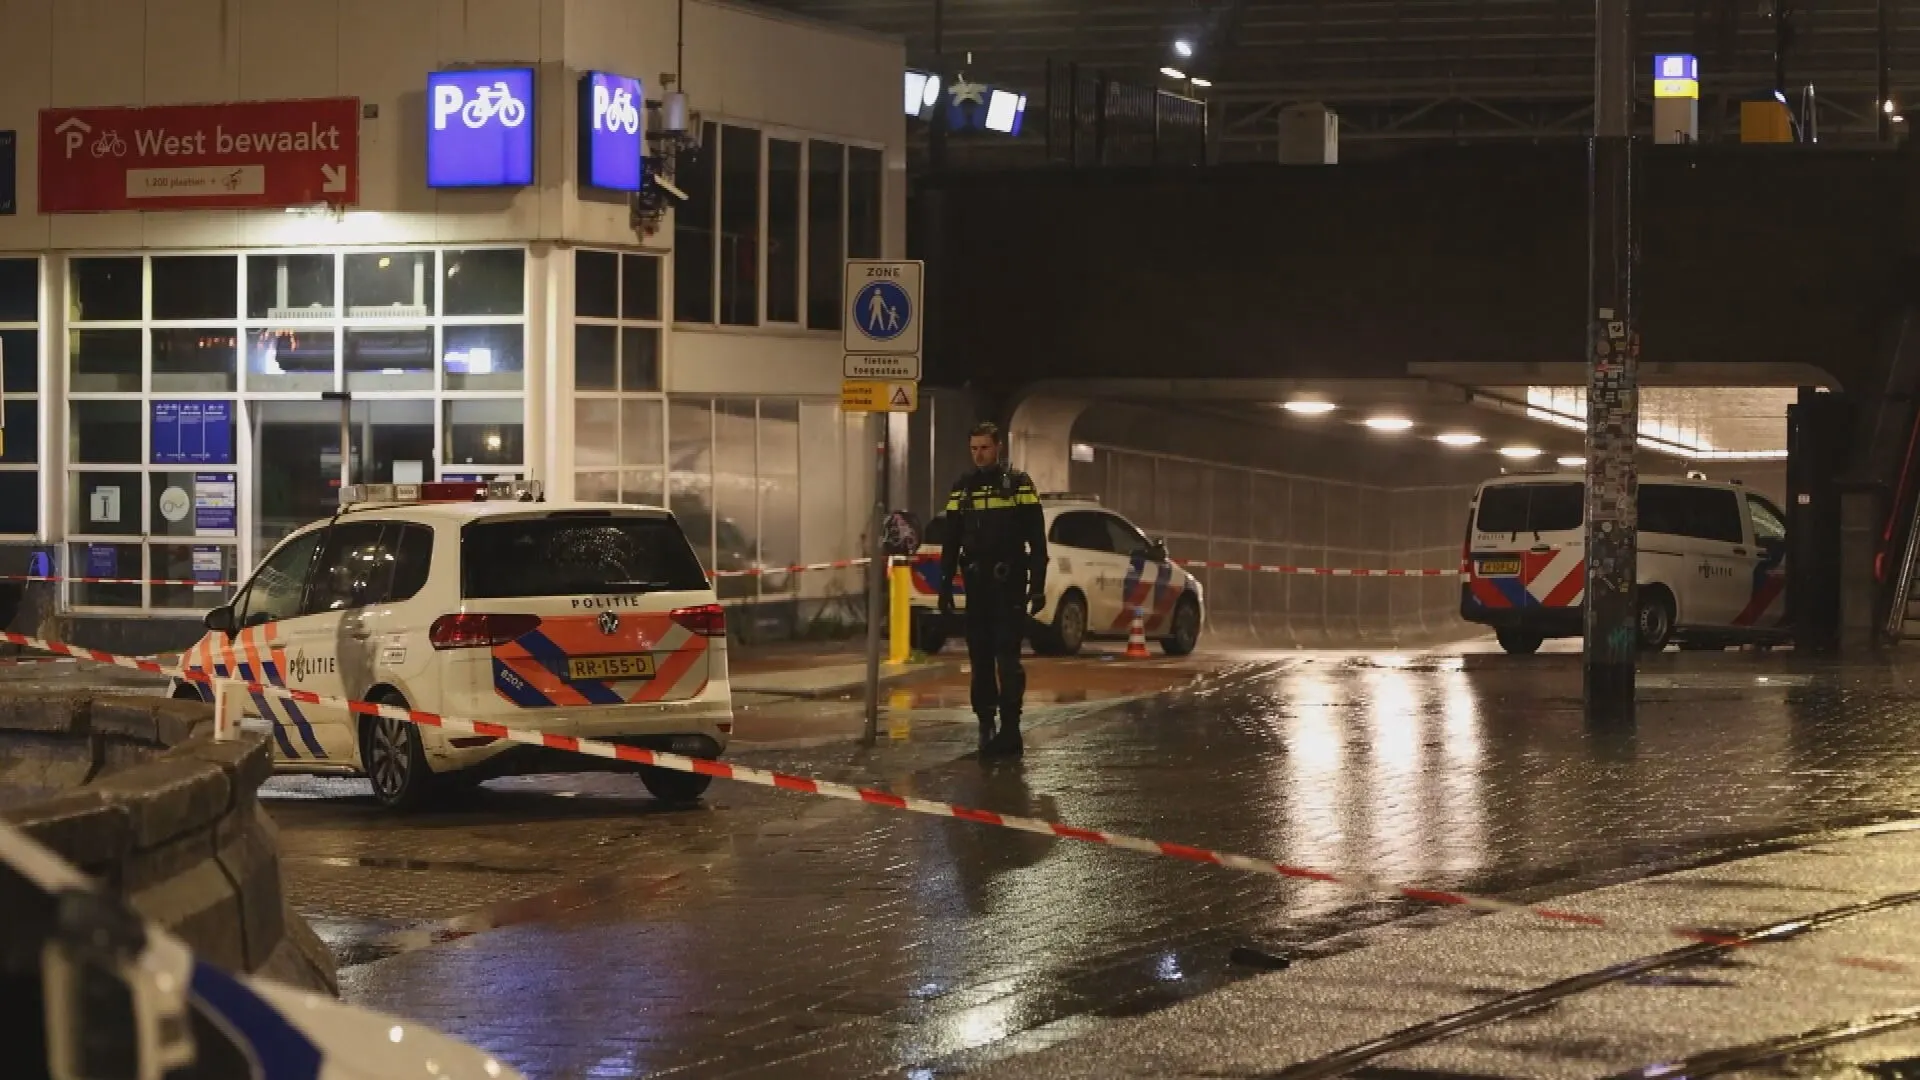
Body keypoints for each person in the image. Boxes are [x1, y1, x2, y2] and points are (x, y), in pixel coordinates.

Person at [939, 422, 1047, 757]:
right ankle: (986, 724)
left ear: (998, 446)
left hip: (1009, 585)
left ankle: (1011, 729)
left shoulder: (1018, 485)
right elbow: (951, 540)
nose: (979, 454)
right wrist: (945, 584)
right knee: (980, 659)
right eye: (973, 448)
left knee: (1007, 659)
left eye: (984, 447)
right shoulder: (962, 488)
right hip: (976, 586)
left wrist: (1037, 586)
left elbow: (1036, 539)